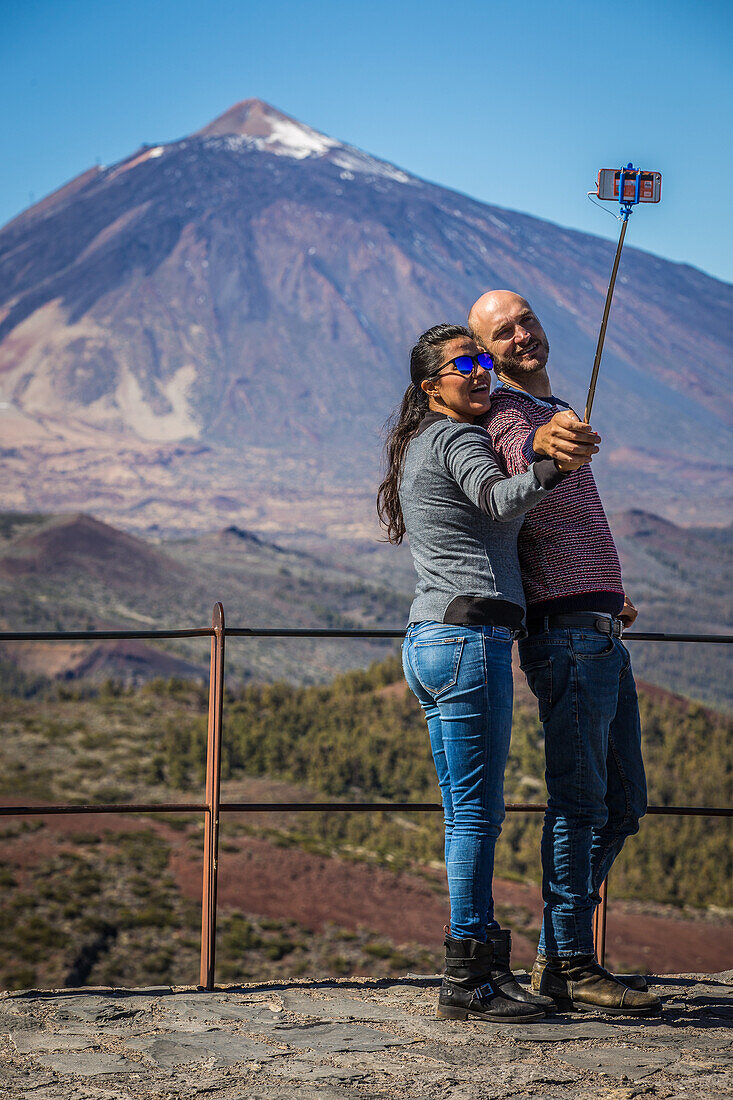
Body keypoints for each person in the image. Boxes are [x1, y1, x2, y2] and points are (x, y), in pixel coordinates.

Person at [377, 323, 592, 1022]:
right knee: (475, 816)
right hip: (469, 641)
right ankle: (470, 975)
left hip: (431, 642)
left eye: (479, 360)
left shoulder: (418, 443)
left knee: (461, 815)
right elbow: (499, 500)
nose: (478, 372)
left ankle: (473, 967)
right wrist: (556, 465)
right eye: (459, 364)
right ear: (428, 386)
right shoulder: (460, 440)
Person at [468, 290, 662, 1015]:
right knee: (581, 804)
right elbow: (519, 475)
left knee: (623, 802)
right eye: (502, 332)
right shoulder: (514, 420)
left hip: (597, 627)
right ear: (485, 354)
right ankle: (571, 963)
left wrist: (608, 592)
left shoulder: (553, 411)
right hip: (569, 642)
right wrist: (549, 449)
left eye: (526, 321)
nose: (521, 335)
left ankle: (559, 950)